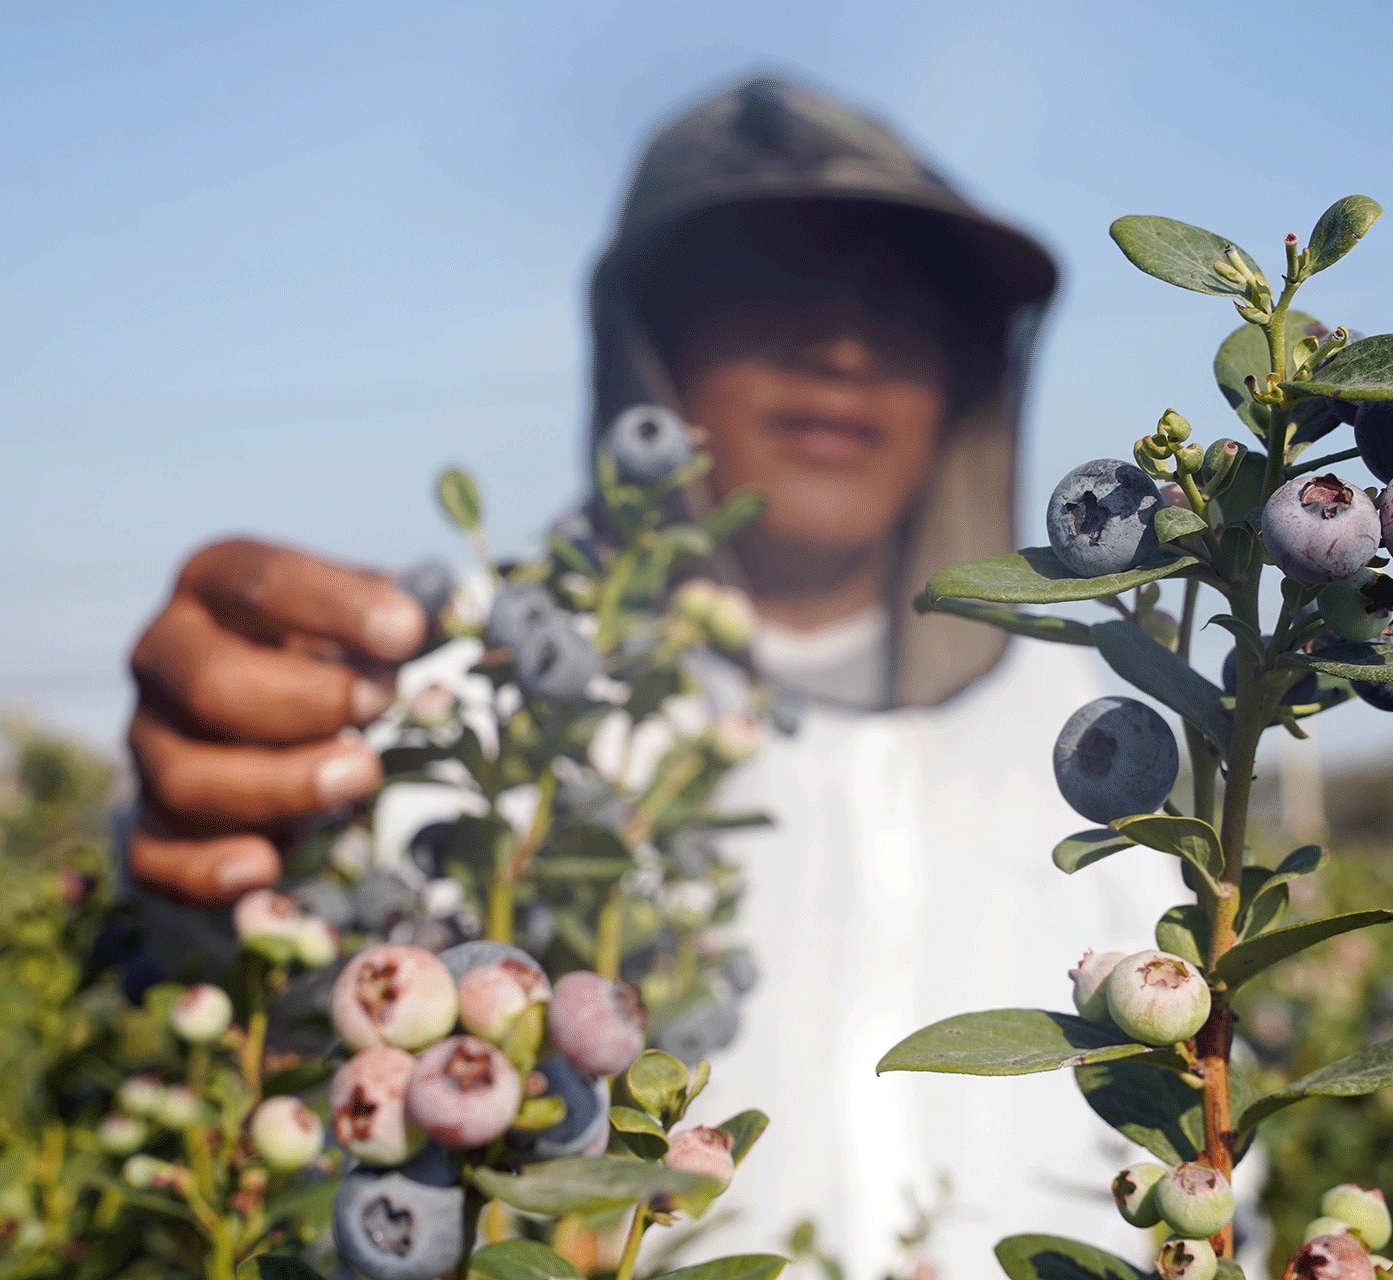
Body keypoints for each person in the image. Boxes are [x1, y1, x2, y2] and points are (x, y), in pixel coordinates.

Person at [124, 76, 1179, 1276]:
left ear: (966, 375)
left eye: (901, 304)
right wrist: (200, 823)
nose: (841, 344)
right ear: (649, 351)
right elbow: (286, 953)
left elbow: (1196, 1113)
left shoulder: (1102, 726)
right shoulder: (478, 702)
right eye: (773, 282)